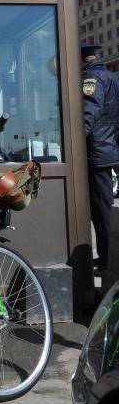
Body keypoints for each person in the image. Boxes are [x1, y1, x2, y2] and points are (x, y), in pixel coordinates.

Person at [81, 44, 119, 275]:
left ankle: (107, 260)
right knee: (102, 208)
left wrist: (74, 143)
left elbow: (88, 111)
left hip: (96, 152)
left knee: (101, 210)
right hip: (107, 149)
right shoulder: (111, 77)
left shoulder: (92, 77)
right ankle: (106, 258)